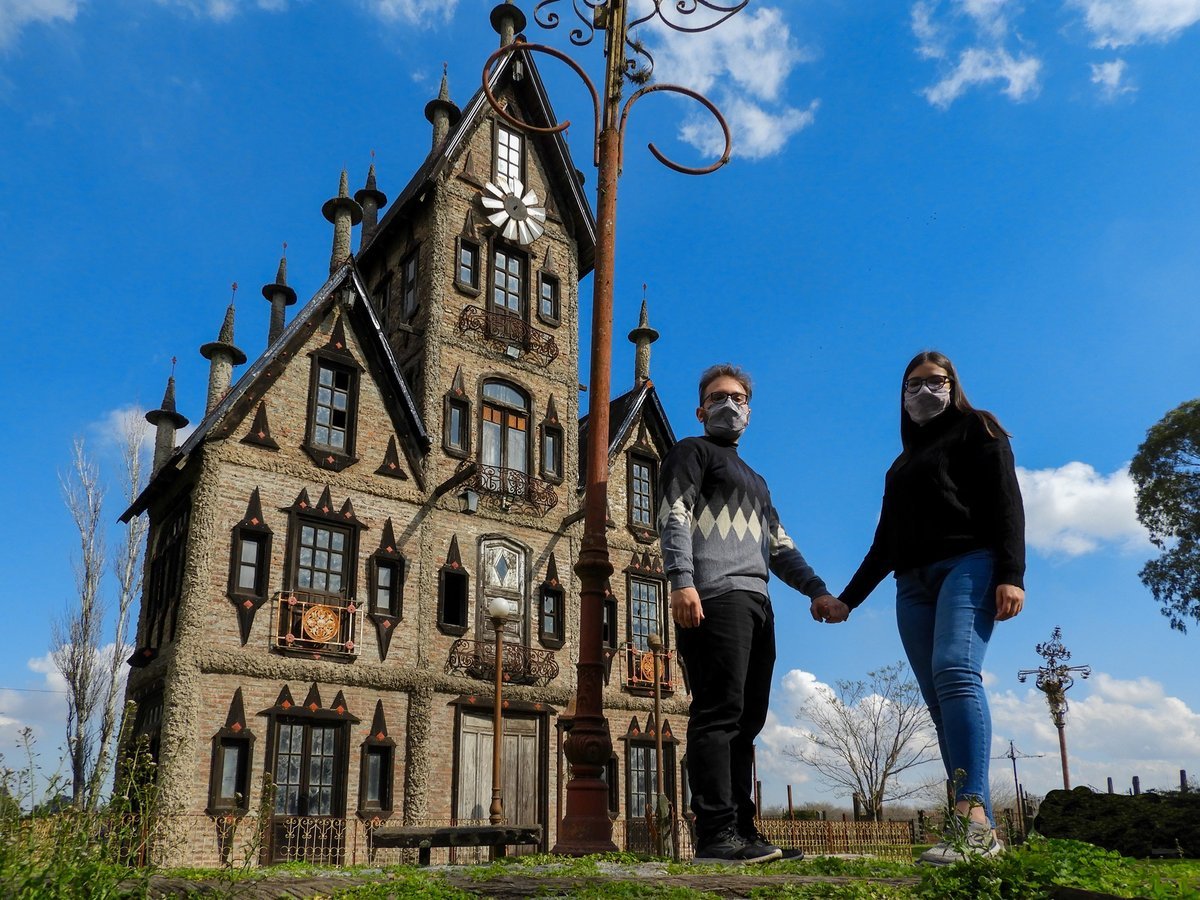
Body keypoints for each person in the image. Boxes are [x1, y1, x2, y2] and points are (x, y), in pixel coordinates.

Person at [814, 350, 1025, 865]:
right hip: (912, 584)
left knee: (956, 670)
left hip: (969, 565)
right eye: (913, 384)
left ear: (953, 385)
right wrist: (847, 600)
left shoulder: (980, 429)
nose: (924, 391)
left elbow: (1006, 502)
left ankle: (973, 812)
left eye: (935, 381)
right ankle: (973, 832)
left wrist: (1012, 575)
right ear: (902, 396)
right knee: (936, 699)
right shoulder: (900, 465)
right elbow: (884, 542)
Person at [659, 363, 838, 865]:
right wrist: (682, 581)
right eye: (718, 397)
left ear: (750, 411)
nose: (729, 406)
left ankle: (742, 829)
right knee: (717, 713)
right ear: (700, 408)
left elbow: (778, 545)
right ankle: (715, 835)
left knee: (747, 721)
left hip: (758, 603)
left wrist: (817, 591)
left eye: (738, 398)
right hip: (713, 597)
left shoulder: (757, 481)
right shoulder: (691, 452)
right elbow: (673, 514)